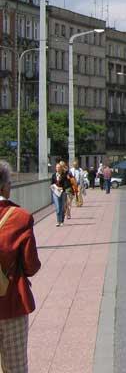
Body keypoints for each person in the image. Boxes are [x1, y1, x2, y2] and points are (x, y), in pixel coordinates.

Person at [0, 160, 41, 373]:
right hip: (12, 303)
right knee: (15, 367)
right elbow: (31, 265)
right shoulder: (20, 218)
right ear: (5, 187)